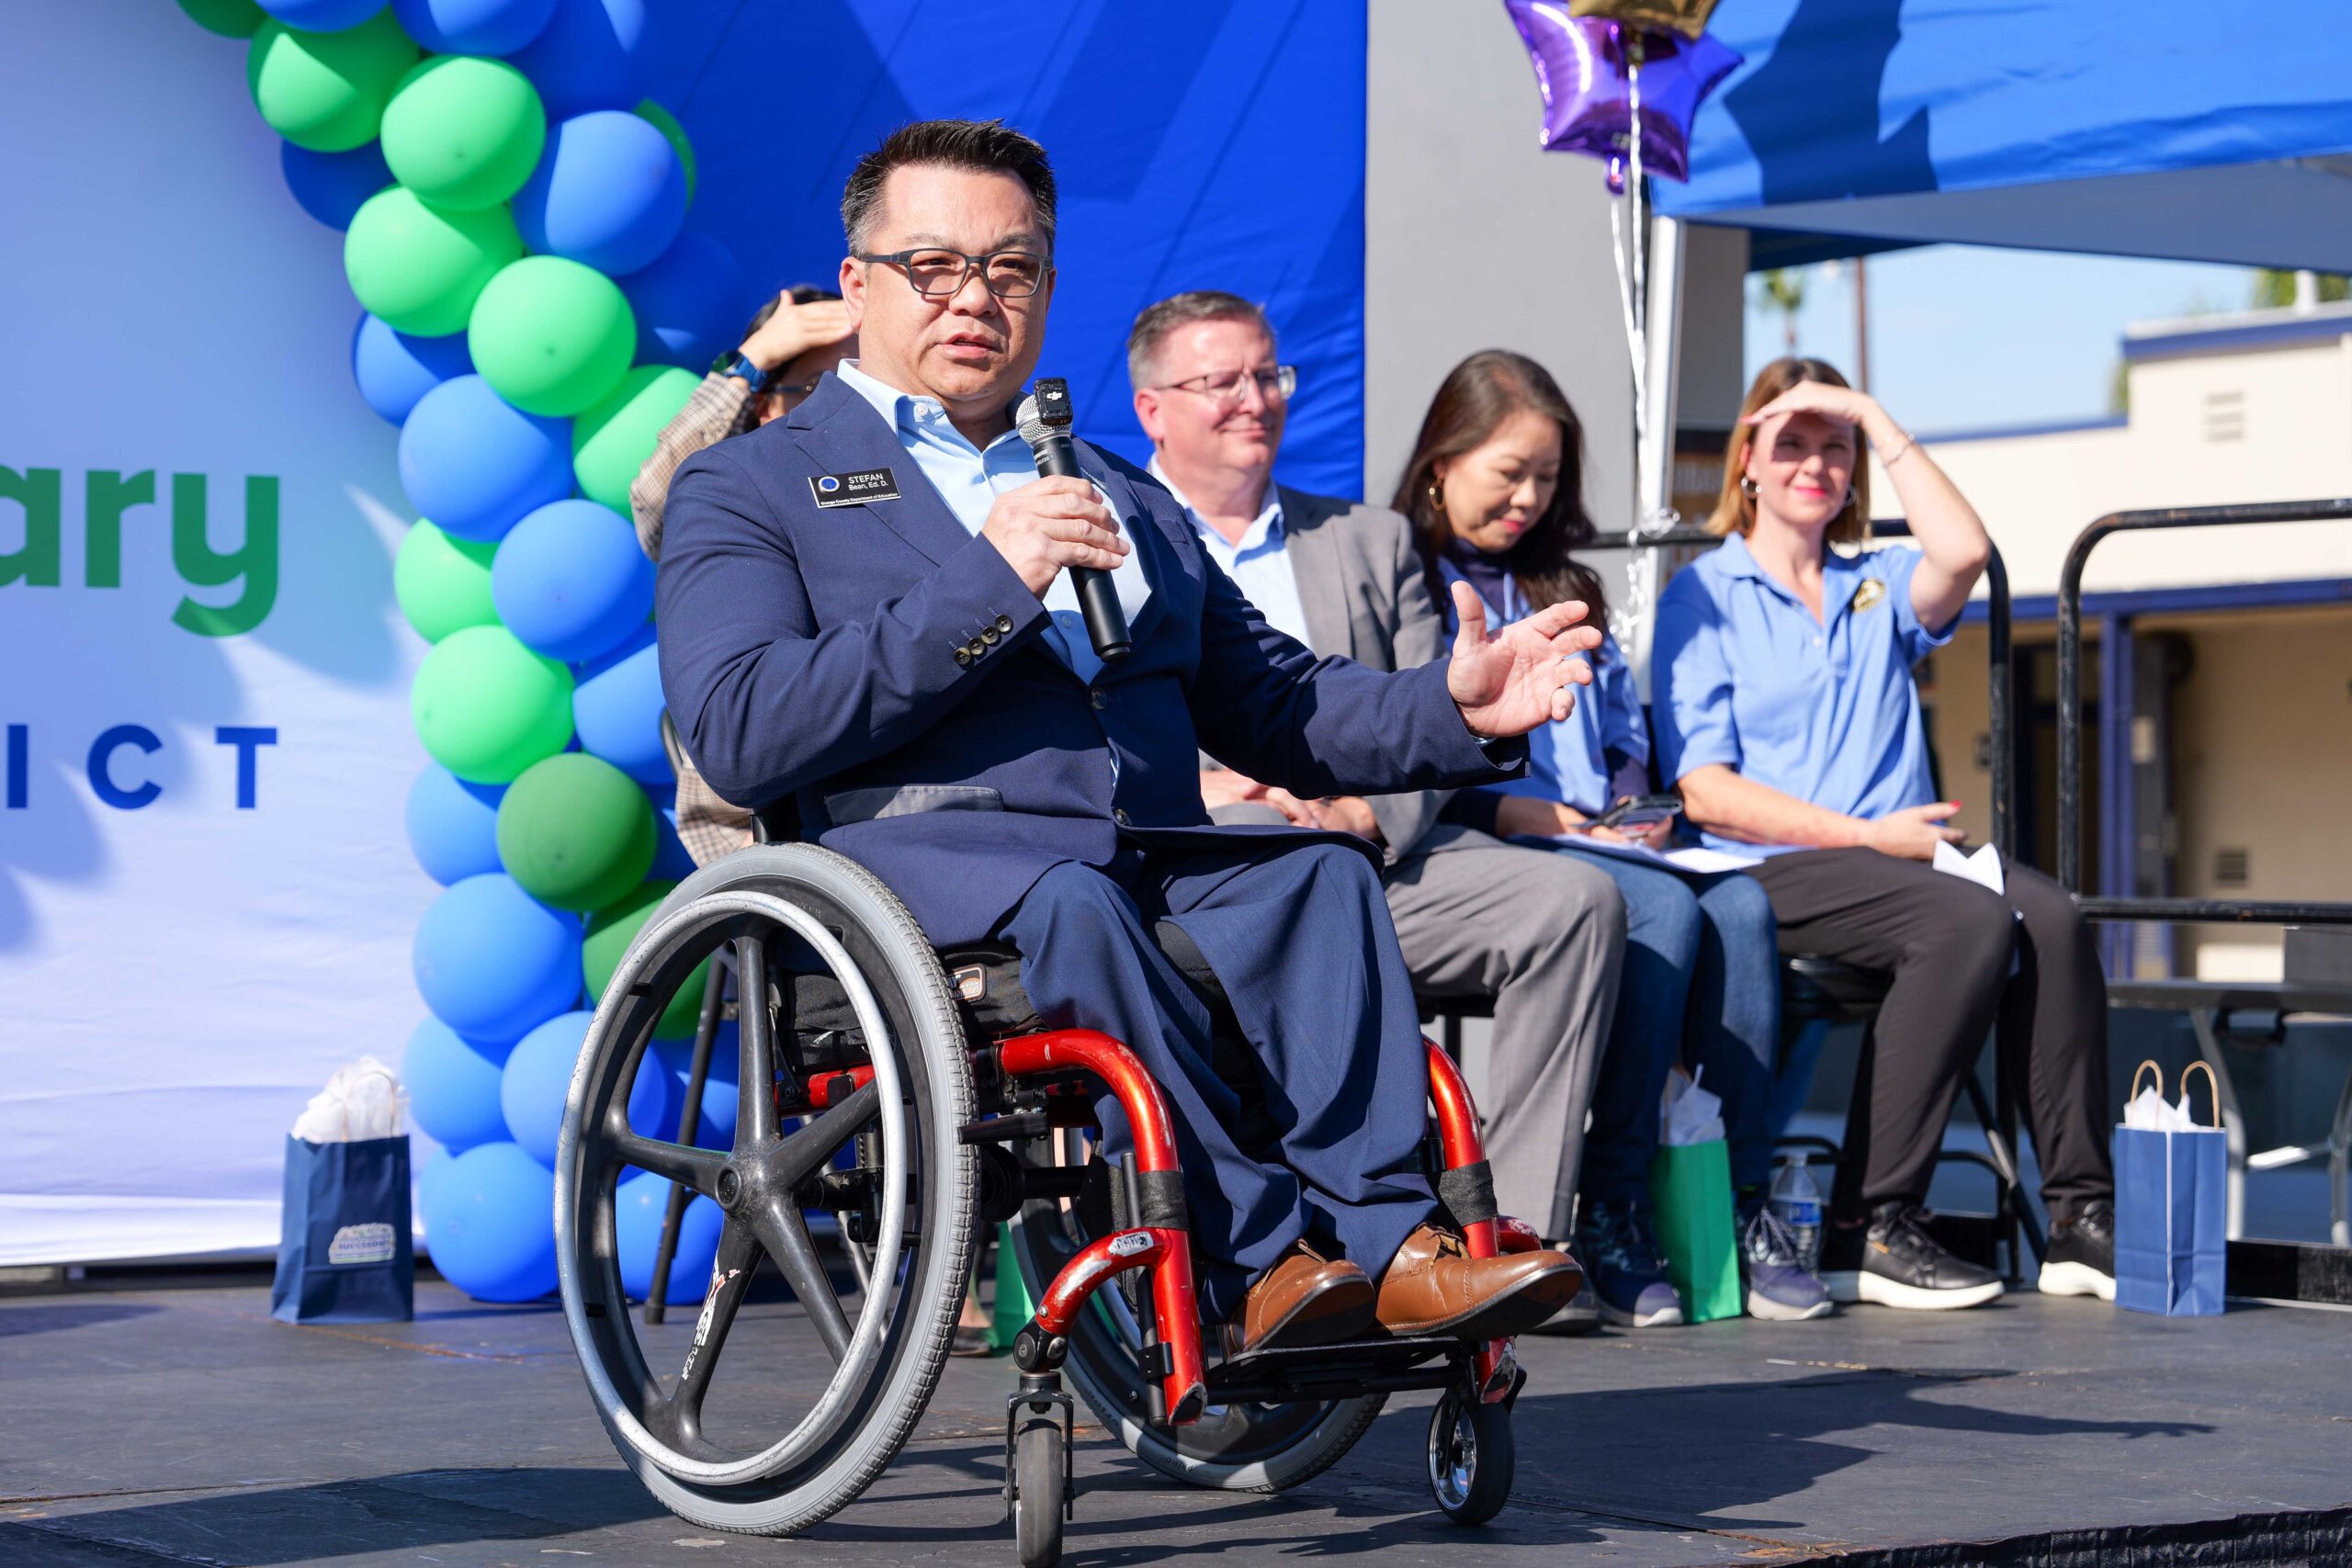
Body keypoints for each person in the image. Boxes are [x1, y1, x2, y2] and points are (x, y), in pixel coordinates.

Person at [656, 118, 1594, 1353]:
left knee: (1315, 872)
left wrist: (1455, 706)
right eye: (933, 266)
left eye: (1013, 267)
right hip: (918, 869)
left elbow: (1275, 701)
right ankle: (1255, 1259)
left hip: (1135, 849)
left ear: (1047, 288)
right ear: (856, 285)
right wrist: (989, 578)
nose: (975, 297)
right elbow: (743, 725)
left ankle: (1397, 1241)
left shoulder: (1121, 488)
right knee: (1074, 905)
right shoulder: (753, 483)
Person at [1129, 294, 1627, 1336]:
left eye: (1267, 375)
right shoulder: (1124, 539)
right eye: (1219, 381)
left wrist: (1361, 812)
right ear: (1151, 408)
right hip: (1207, 861)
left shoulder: (1366, 537)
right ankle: (1291, 1247)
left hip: (1381, 853)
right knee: (1273, 864)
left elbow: (1424, 704)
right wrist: (1229, 797)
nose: (1251, 401)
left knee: (1577, 900)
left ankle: (1507, 1231)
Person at [1653, 355, 2116, 1310]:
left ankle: (2077, 1222)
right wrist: (1860, 834)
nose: (1815, 465)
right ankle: (1873, 1223)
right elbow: (1704, 791)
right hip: (1768, 870)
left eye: (1836, 448)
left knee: (2055, 918)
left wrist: (1871, 413)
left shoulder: (1877, 584)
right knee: (1965, 923)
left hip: (1906, 862)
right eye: (1792, 444)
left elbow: (1964, 551)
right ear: (1747, 459)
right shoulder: (1701, 596)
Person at [1392, 350, 1820, 1325]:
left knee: (1744, 907)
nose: (1528, 499)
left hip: (1596, 835)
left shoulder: (1565, 580)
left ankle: (1739, 1202)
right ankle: (1612, 1203)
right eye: (1509, 474)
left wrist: (1637, 808)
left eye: (1547, 478)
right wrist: (1523, 811)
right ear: (1439, 462)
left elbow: (1622, 734)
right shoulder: (1406, 576)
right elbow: (1396, 745)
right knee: (1661, 908)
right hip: (1486, 836)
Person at [630, 286, 859, 868]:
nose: (838, 409)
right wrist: (754, 358)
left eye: (855, 385)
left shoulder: (896, 483)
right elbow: (656, 502)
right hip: (784, 843)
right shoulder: (730, 500)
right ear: (763, 405)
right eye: (813, 388)